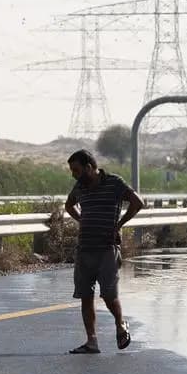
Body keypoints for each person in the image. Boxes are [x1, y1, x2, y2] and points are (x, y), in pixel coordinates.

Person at [64, 149, 144, 354]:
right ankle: (91, 341)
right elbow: (69, 205)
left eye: (76, 170)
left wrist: (118, 225)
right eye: (72, 170)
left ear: (89, 167)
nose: (73, 174)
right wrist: (82, 220)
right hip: (84, 248)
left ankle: (120, 324)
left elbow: (138, 203)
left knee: (108, 295)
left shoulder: (114, 183)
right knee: (85, 295)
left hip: (107, 248)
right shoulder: (79, 186)